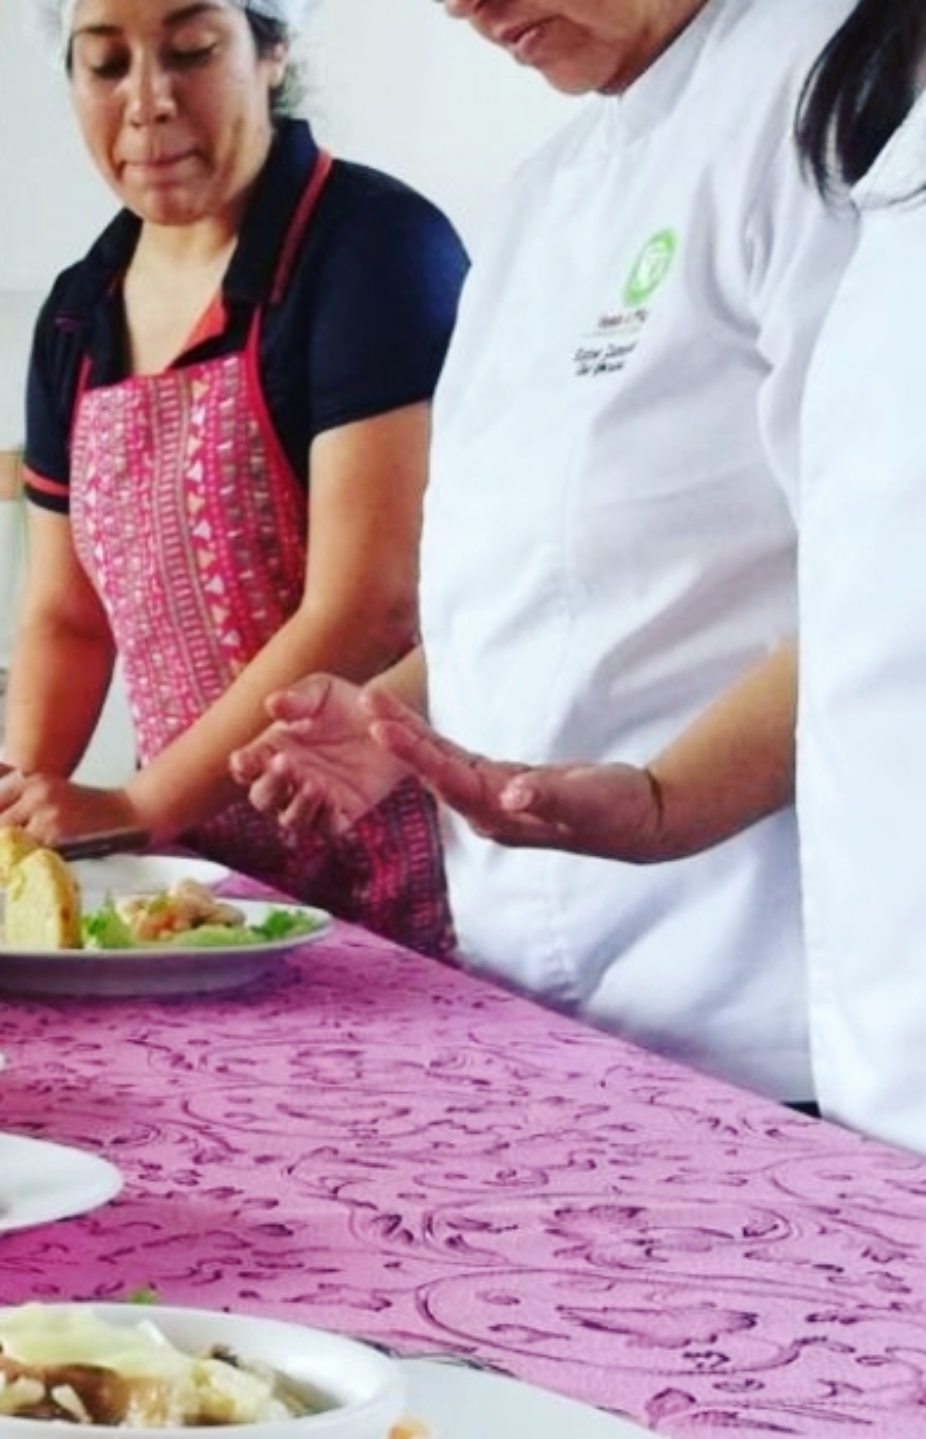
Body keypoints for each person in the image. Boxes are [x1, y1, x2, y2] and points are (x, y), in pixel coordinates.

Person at [238, 0, 925, 1150]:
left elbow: (883, 578)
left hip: (751, 1001)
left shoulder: (819, 96)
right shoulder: (540, 193)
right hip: (532, 992)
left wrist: (666, 803)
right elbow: (535, 568)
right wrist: (398, 715)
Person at [0, 0, 465, 955]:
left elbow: (370, 606)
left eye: (189, 51)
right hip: (198, 889)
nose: (147, 102)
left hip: (395, 867)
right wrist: (22, 795)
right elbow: (67, 613)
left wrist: (139, 804)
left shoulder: (370, 250)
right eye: (105, 64)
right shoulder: (78, 313)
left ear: (273, 49)